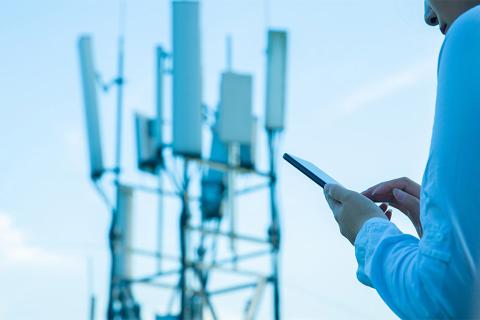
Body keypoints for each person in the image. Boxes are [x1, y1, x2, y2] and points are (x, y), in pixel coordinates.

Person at [323, 0, 480, 318]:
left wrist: (368, 232)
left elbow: (444, 300)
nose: (428, 15)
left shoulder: (471, 34)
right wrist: (454, 235)